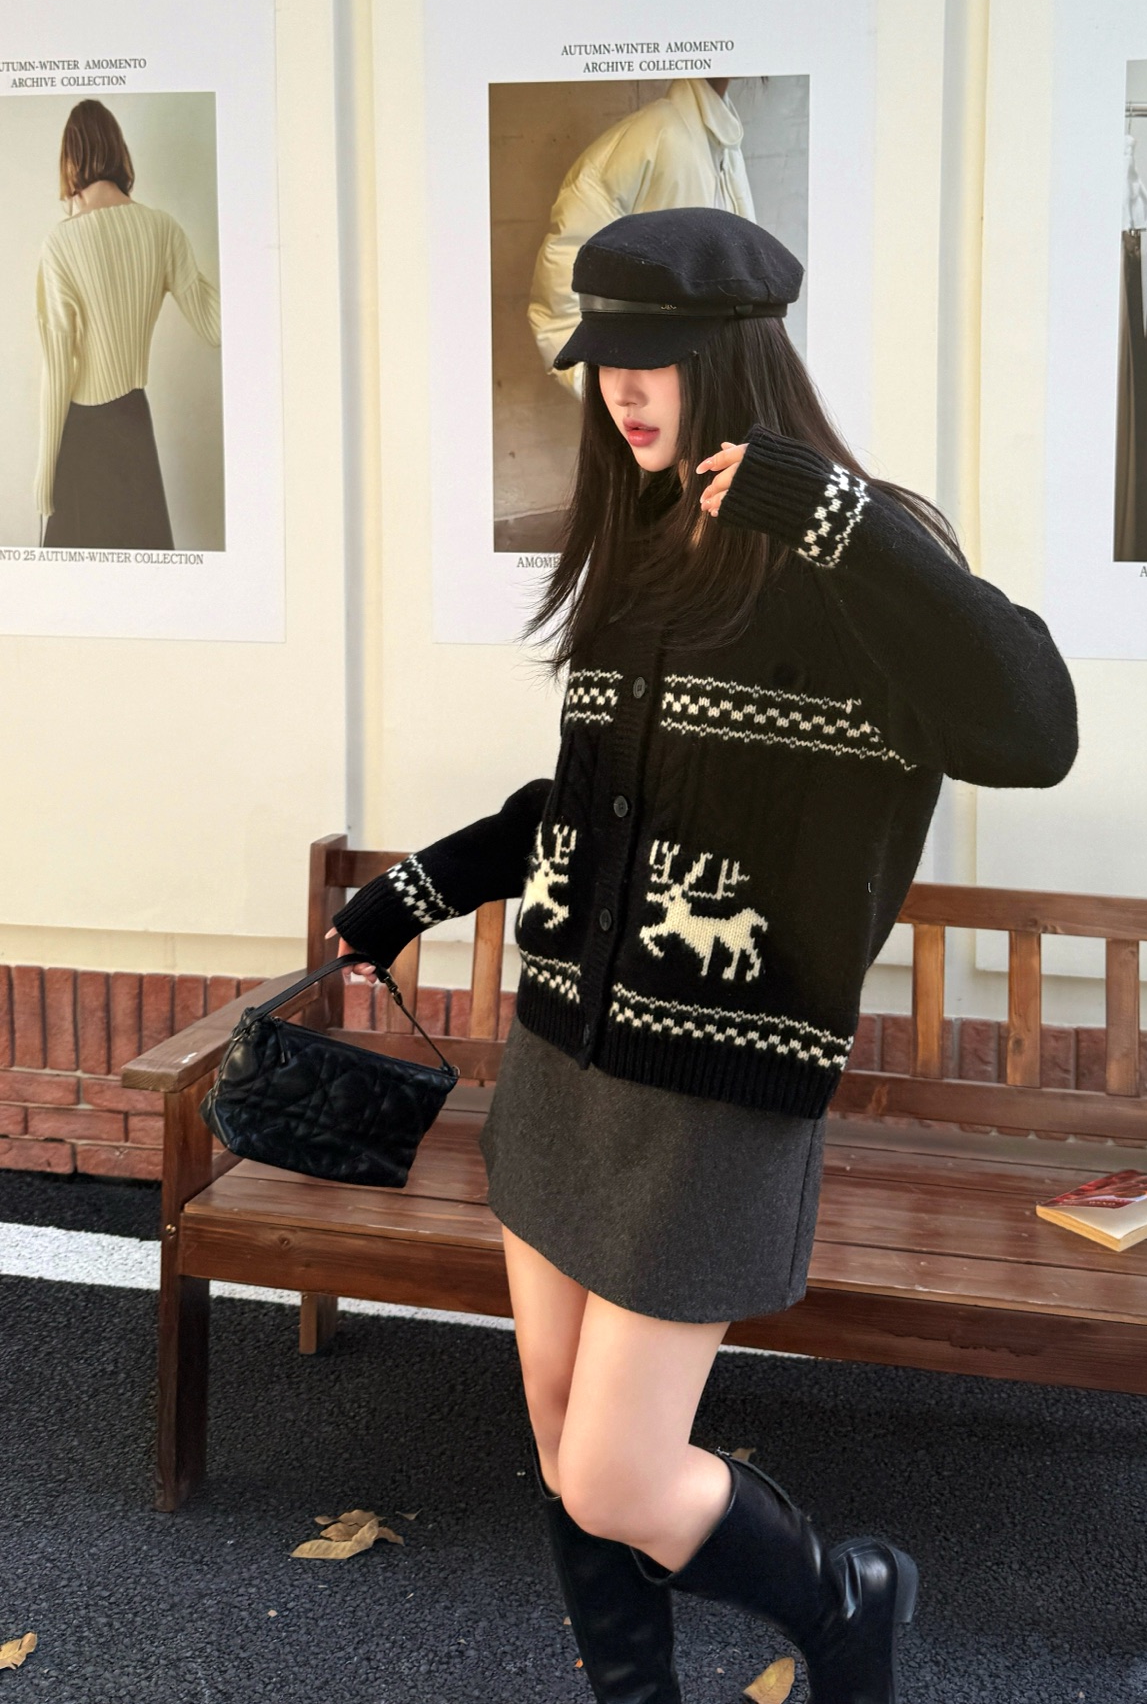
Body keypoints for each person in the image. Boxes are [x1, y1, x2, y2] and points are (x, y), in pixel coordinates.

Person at [332, 207, 1078, 1702]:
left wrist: (837, 517)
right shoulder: (639, 546)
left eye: (657, 356)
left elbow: (1033, 725)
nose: (623, 386)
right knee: (562, 1435)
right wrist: (421, 888)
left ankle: (846, 1598)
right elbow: (591, 805)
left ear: (737, 357)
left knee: (616, 1468)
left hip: (714, 1094)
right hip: (561, 1062)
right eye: (605, 357)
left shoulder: (853, 548)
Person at [35, 98, 220, 549]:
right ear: (119, 152)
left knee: (74, 584)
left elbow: (57, 369)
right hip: (135, 423)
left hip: (80, 433)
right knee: (144, 572)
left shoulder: (61, 243)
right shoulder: (162, 229)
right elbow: (216, 326)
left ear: (71, 159)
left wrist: (44, 472)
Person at [528, 77, 755, 396]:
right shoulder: (654, 138)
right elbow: (560, 303)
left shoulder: (724, 147)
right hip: (667, 401)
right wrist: (620, 397)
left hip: (713, 397)